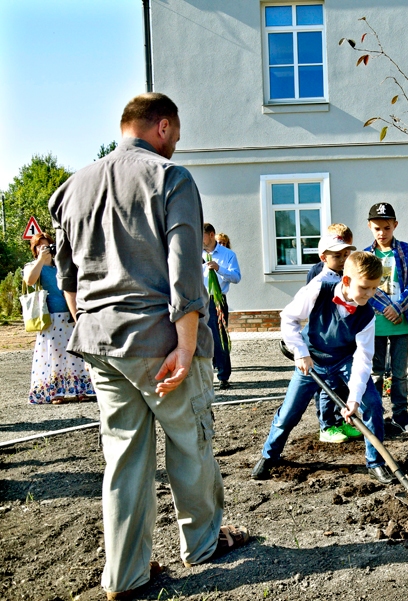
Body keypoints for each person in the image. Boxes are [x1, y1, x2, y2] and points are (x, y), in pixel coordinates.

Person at [50, 93, 248, 600]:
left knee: (124, 458)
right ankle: (203, 544)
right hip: (161, 341)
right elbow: (185, 271)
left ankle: (125, 574)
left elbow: (68, 279)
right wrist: (185, 346)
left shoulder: (71, 188)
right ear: (161, 126)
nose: (175, 147)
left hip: (101, 341)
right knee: (191, 442)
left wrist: (95, 324)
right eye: (175, 137)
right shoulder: (170, 178)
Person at [251, 252, 396, 484]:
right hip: (312, 360)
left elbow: (363, 357)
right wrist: (301, 352)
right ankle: (270, 455)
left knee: (373, 404)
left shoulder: (367, 313)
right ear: (346, 281)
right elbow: (288, 318)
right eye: (365, 288)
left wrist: (354, 399)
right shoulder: (318, 289)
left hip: (345, 361)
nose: (370, 294)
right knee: (289, 412)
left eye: (374, 289)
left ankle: (376, 462)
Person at [363, 203, 408, 434]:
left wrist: (398, 308)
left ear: (395, 225)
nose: (382, 233)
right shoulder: (366, 255)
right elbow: (365, 287)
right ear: (370, 226)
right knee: (375, 372)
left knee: (400, 373)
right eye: (377, 228)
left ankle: (400, 414)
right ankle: (376, 416)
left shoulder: (407, 250)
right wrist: (386, 306)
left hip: (401, 323)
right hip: (374, 324)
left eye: (387, 227)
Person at [22, 234, 95, 404]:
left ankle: (81, 389)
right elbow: (29, 280)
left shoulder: (60, 266)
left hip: (69, 315)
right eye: (40, 246)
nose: (44, 249)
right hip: (50, 318)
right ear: (34, 250)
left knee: (76, 353)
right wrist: (40, 260)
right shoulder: (32, 266)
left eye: (47, 245)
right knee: (54, 355)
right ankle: (55, 392)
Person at [308, 232, 362, 443]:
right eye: (337, 256)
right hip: (325, 345)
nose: (342, 260)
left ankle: (340, 423)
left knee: (340, 385)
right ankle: (326, 426)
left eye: (345, 255)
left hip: (343, 343)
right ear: (324, 257)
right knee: (327, 388)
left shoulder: (344, 277)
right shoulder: (318, 280)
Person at [202, 223, 241, 389]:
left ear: (211, 235)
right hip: (198, 298)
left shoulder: (228, 254)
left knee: (219, 337)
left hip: (217, 299)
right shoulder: (195, 253)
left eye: (201, 235)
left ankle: (223, 376)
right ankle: (204, 376)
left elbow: (236, 277)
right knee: (200, 337)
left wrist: (219, 269)